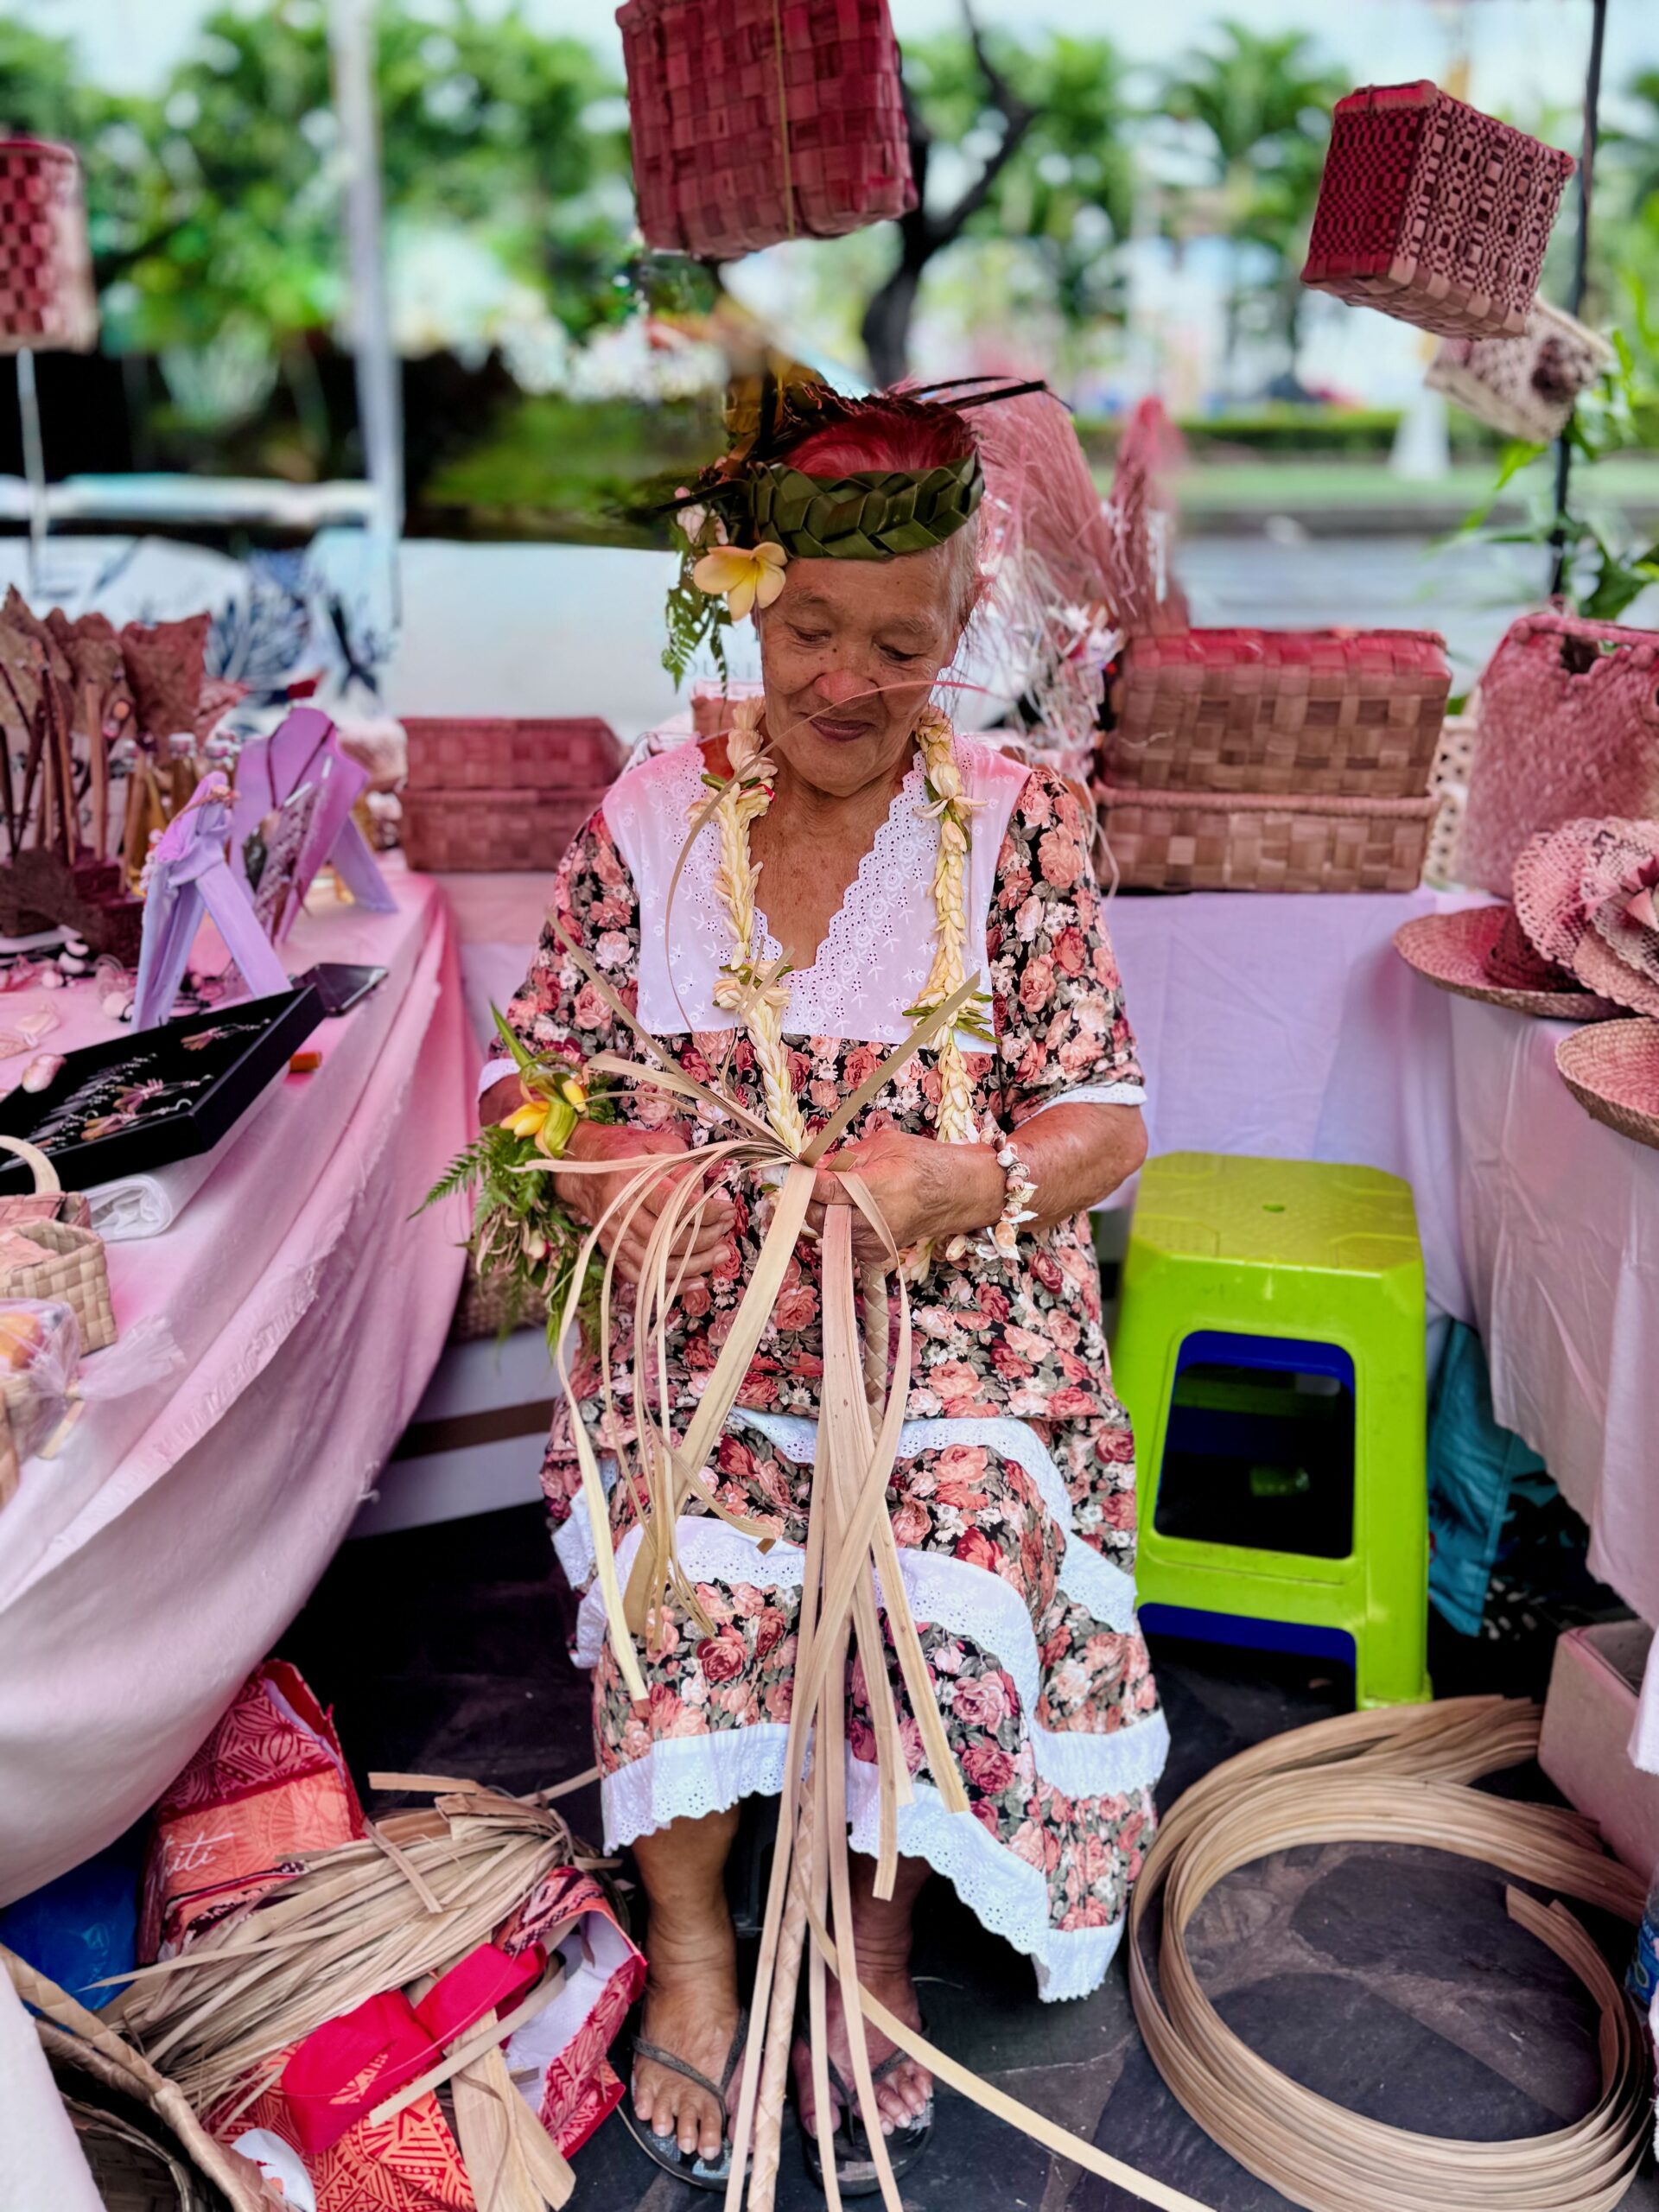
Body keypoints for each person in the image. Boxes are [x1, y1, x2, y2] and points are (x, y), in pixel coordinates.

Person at [480, 385, 1166, 2194]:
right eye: (809, 633)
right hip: (705, 1329)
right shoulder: (657, 812)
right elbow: (530, 1078)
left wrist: (970, 1178)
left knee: (937, 1537)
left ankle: (867, 1931)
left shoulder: (1017, 820)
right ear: (745, 602)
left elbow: (1106, 1117)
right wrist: (605, 1163)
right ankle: (696, 1944)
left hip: (954, 1327)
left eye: (901, 646)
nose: (849, 681)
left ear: (961, 627)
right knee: (683, 1546)